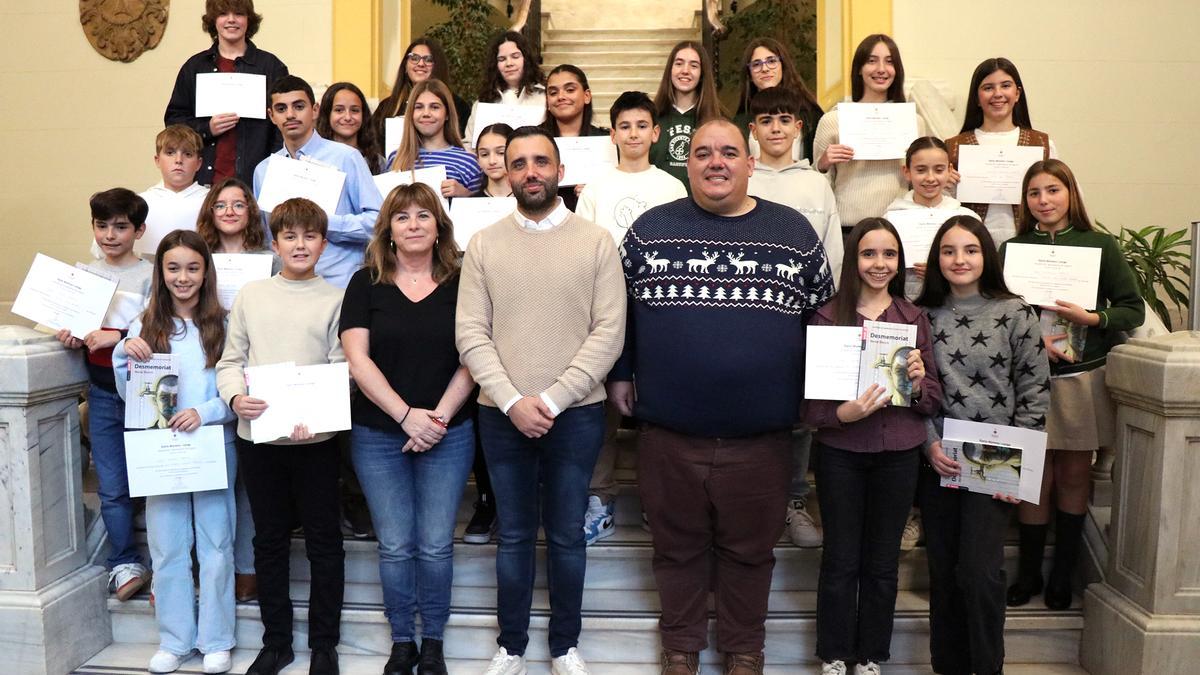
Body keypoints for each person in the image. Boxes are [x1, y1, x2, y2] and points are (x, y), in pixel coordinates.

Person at [609, 119, 833, 675]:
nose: (716, 162)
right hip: (669, 432)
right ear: (687, 164)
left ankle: (744, 653)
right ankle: (680, 650)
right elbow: (615, 316)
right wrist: (619, 372)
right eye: (704, 152)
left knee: (751, 554)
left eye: (729, 152)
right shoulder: (648, 231)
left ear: (750, 162)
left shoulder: (794, 233)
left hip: (762, 438)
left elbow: (824, 320)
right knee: (676, 550)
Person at [456, 125, 626, 675]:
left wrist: (551, 399)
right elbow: (470, 334)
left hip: (575, 415)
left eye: (541, 161)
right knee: (513, 535)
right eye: (519, 162)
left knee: (568, 535)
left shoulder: (597, 242)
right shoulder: (484, 243)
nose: (531, 172)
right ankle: (511, 645)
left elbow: (608, 334)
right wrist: (511, 400)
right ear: (504, 170)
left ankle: (564, 644)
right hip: (500, 416)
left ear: (560, 170)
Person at [342, 183, 477, 675]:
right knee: (396, 544)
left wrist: (437, 418)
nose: (414, 224)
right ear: (389, 229)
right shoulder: (365, 283)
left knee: (437, 543)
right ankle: (403, 641)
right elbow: (358, 360)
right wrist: (406, 416)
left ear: (439, 224)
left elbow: (476, 355)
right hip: (379, 433)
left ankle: (434, 641)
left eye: (424, 215)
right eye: (403, 217)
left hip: (450, 430)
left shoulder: (464, 281)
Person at [1001, 160, 1143, 610]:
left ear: (1070, 193)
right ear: (1024, 202)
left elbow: (1132, 309)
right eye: (1034, 193)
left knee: (1074, 476)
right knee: (1033, 479)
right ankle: (1028, 576)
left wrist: (1093, 318)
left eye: (1052, 190)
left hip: (1081, 379)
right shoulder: (1011, 248)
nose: (1043, 201)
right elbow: (998, 310)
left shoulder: (1100, 245)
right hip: (1026, 380)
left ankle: (1062, 575)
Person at [804, 218, 942, 675]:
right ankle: (835, 653)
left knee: (883, 562)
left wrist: (920, 384)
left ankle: (871, 655)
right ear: (853, 260)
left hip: (899, 454)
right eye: (869, 254)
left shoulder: (913, 318)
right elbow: (807, 406)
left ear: (899, 262)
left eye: (888, 255)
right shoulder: (826, 316)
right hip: (841, 453)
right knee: (841, 557)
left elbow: (934, 399)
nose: (879, 264)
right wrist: (842, 415)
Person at [914, 216, 1050, 675]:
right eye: (949, 251)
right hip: (940, 459)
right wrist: (929, 446)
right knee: (944, 572)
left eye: (970, 249)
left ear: (985, 256)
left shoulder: (1016, 313)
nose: (959, 260)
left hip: (996, 461)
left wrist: (1020, 467)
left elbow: (1034, 393)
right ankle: (947, 666)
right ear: (937, 259)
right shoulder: (920, 315)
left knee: (979, 573)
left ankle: (987, 666)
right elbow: (916, 393)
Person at [216, 197, 347, 675]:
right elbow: (231, 361)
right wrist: (234, 399)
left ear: (323, 244)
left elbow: (341, 367)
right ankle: (276, 642)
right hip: (260, 438)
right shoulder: (253, 294)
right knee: (268, 540)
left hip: (316, 440)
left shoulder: (336, 298)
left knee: (323, 542)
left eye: (309, 236)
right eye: (289, 236)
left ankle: (323, 645)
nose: (299, 244)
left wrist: (320, 414)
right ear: (274, 244)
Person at [113, 231, 238, 675]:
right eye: (173, 268)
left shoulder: (224, 324)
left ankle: (217, 638)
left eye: (192, 267)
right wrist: (123, 355)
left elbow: (239, 390)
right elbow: (131, 393)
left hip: (211, 446)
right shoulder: (144, 326)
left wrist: (204, 412)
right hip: (160, 453)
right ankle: (175, 638)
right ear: (160, 273)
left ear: (206, 272)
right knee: (167, 547)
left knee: (217, 546)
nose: (182, 277)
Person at [574, 91, 686, 544]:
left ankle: (658, 500)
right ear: (613, 134)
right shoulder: (598, 186)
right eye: (625, 126)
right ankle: (599, 497)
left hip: (658, 311)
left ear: (656, 133)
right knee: (600, 408)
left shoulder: (672, 187)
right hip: (604, 309)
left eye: (643, 125)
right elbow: (580, 246)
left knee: (655, 408)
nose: (634, 133)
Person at [743, 85, 842, 549]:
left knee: (801, 416)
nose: (775, 128)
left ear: (799, 127)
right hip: (749, 319)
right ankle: (756, 500)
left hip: (804, 318)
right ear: (753, 131)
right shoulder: (743, 179)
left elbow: (833, 256)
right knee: (756, 408)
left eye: (784, 119)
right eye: (766, 121)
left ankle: (794, 501)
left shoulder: (816, 184)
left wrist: (827, 317)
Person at [57, 188, 154, 602]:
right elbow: (70, 327)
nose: (110, 235)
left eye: (120, 227)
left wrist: (115, 335)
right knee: (112, 484)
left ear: (139, 230)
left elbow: (163, 329)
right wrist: (68, 333)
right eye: (102, 226)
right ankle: (125, 561)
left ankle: (170, 561)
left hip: (144, 390)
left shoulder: (151, 274)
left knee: (154, 477)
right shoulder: (82, 273)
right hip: (100, 392)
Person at [195, 176, 276, 601]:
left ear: (251, 212)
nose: (229, 211)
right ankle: (210, 565)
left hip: (259, 369)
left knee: (249, 482)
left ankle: (247, 566)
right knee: (211, 478)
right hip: (208, 368)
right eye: (220, 204)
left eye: (238, 204)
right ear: (210, 212)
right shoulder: (197, 260)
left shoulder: (270, 261)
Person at [253, 74, 382, 289]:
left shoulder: (346, 157)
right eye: (281, 109)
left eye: (299, 106)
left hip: (340, 284)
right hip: (287, 287)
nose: (291, 115)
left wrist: (324, 223)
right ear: (271, 115)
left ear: (314, 110)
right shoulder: (264, 170)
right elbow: (267, 236)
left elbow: (378, 223)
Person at [165, 0, 288, 186]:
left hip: (255, 183)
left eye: (238, 14)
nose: (231, 20)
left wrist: (272, 172)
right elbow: (173, 122)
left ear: (249, 20)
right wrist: (207, 129)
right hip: (203, 183)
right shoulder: (195, 67)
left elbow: (283, 126)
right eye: (223, 14)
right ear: (213, 20)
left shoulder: (271, 67)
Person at [813, 34, 927, 229]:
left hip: (901, 226)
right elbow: (816, 188)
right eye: (872, 61)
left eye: (889, 62)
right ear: (859, 69)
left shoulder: (913, 122)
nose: (881, 69)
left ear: (897, 70)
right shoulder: (833, 120)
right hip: (848, 229)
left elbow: (922, 175)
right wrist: (822, 165)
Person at [945, 58, 1057, 246]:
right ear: (977, 98)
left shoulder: (1042, 145)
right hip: (970, 250)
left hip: (1029, 245)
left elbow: (1063, 197)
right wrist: (944, 185)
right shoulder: (954, 147)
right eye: (988, 88)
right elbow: (938, 206)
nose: (998, 94)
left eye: (1005, 86)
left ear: (1017, 93)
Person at [886, 138, 980, 311]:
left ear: (949, 170)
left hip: (956, 308)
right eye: (921, 170)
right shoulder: (891, 219)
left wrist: (939, 270)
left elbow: (981, 267)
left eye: (939, 170)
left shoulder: (966, 218)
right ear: (906, 172)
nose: (930, 178)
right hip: (904, 305)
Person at [385, 79, 483, 198]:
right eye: (419, 107)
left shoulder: (468, 162)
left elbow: (480, 209)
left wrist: (464, 194)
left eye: (435, 107)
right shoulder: (396, 159)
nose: (426, 113)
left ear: (447, 114)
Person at [733, 37, 823, 163]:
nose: (765, 69)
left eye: (771, 61)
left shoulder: (810, 115)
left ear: (783, 66)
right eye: (756, 64)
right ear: (750, 75)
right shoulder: (740, 122)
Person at [649, 41, 724, 190]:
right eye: (679, 64)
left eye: (694, 65)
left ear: (702, 73)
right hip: (657, 205)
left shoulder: (719, 121)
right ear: (670, 70)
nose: (685, 70)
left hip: (703, 207)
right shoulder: (650, 119)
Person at [373, 37, 470, 145]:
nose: (420, 64)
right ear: (405, 65)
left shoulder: (457, 106)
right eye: (414, 58)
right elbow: (373, 144)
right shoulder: (387, 107)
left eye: (428, 60)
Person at [463, 31, 546, 149]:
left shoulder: (544, 97)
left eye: (515, 56)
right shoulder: (484, 102)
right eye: (502, 59)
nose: (509, 63)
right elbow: (469, 144)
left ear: (526, 59)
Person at [541, 64, 607, 210]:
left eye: (570, 90)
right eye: (553, 93)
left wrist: (596, 191)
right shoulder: (534, 140)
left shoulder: (606, 142)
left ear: (587, 96)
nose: (561, 97)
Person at [317, 82, 386, 174]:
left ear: (363, 115)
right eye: (339, 110)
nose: (348, 117)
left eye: (354, 110)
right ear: (327, 114)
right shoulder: (315, 159)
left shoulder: (379, 162)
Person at [472, 123, 514, 198]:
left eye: (501, 153)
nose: (492, 161)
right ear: (478, 159)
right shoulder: (470, 204)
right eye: (484, 154)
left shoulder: (530, 199)